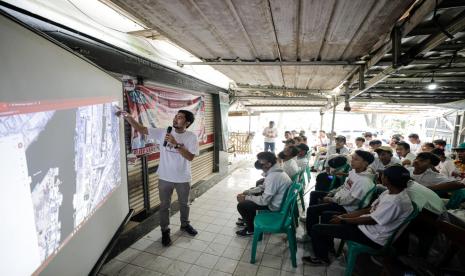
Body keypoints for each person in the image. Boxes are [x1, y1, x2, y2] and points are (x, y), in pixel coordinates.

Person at [116, 109, 199, 246]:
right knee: (164, 206)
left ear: (187, 122)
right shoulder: (164, 132)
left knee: (184, 204)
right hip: (165, 177)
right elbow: (141, 129)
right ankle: (165, 231)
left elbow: (190, 157)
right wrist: (127, 116)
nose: (175, 119)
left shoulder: (191, 137)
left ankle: (185, 225)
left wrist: (176, 144)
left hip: (183, 178)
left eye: (180, 117)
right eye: (176, 116)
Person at [303, 165, 413, 266]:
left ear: (388, 179)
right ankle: (328, 247)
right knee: (327, 216)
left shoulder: (396, 202)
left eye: (383, 175)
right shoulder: (389, 192)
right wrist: (345, 216)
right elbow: (369, 210)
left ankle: (322, 258)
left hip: (372, 237)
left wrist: (343, 220)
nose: (380, 177)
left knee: (316, 228)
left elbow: (371, 220)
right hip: (366, 227)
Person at [305, 150, 376, 240]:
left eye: (356, 159)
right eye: (352, 158)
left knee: (312, 210)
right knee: (314, 194)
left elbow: (350, 200)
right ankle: (312, 227)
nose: (352, 161)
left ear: (365, 163)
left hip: (346, 207)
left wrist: (331, 199)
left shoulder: (364, 181)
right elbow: (344, 186)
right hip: (339, 198)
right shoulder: (354, 172)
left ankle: (312, 234)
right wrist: (332, 193)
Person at [236, 152, 291, 236]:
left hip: (275, 206)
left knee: (242, 205)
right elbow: (263, 187)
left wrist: (246, 198)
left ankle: (251, 229)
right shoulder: (275, 171)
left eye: (261, 161)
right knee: (252, 193)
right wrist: (248, 192)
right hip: (278, 201)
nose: (259, 163)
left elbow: (264, 201)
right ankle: (248, 220)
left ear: (268, 164)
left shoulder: (273, 176)